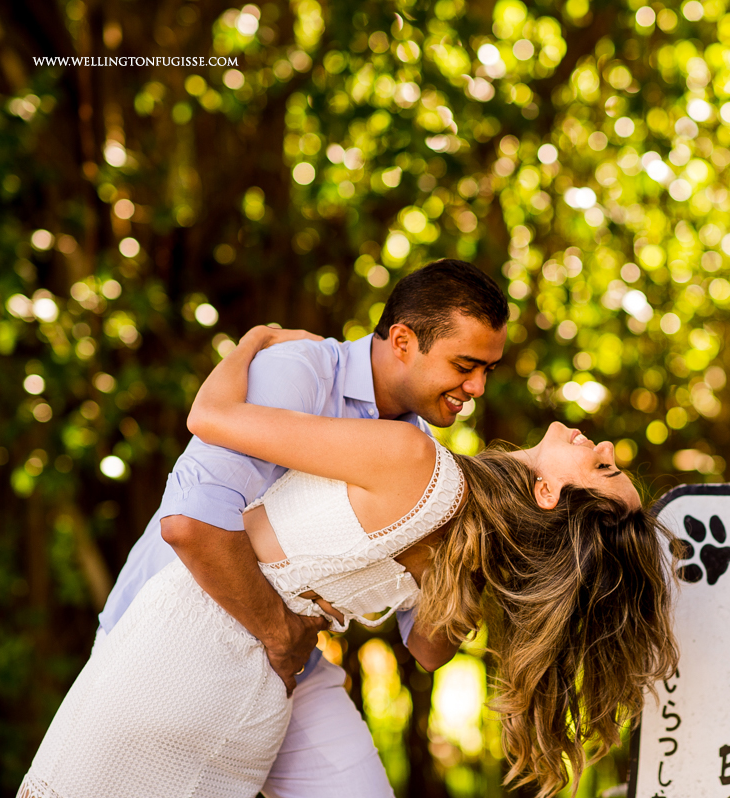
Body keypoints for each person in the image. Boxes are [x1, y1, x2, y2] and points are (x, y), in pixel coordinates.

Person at [20, 322, 679, 798]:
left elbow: (211, 415)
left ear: (546, 493)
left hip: (186, 646)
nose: (607, 444)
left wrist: (256, 342)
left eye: (602, 467)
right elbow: (426, 647)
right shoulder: (464, 536)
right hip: (259, 691)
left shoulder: (417, 464)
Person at [80, 259, 512, 798]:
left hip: (287, 660)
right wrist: (279, 633)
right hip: (173, 636)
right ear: (402, 340)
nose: (476, 387)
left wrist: (481, 547)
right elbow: (189, 524)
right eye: (465, 364)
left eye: (487, 370)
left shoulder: (422, 458)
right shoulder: (302, 370)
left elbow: (427, 647)